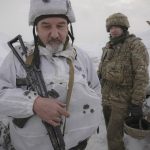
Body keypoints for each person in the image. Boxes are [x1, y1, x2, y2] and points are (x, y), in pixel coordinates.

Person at [0, 0, 102, 150]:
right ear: (36, 28)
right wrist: (33, 103)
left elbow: (96, 90)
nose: (54, 34)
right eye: (46, 26)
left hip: (78, 145)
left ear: (68, 28)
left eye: (61, 25)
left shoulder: (81, 56)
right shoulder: (18, 57)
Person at [97, 12, 149, 150]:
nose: (113, 30)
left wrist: (137, 102)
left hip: (122, 100)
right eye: (111, 27)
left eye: (117, 26)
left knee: (112, 136)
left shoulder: (135, 45)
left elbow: (142, 76)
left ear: (124, 28)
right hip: (107, 97)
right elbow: (102, 69)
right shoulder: (109, 46)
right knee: (111, 132)